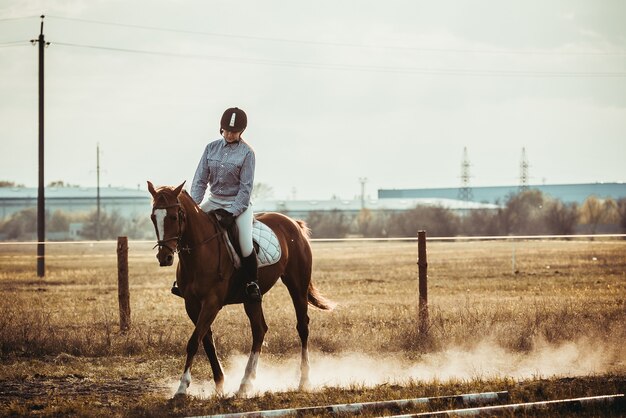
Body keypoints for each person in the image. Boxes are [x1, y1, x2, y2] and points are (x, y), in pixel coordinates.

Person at [171, 107, 261, 303]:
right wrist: (193, 207)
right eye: (227, 130)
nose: (230, 134)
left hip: (238, 204)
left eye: (234, 132)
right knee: (188, 230)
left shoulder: (247, 153)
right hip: (213, 200)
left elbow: (245, 189)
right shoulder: (210, 148)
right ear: (221, 129)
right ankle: (183, 280)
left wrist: (232, 213)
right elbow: (200, 181)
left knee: (245, 243)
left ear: (241, 132)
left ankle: (251, 283)